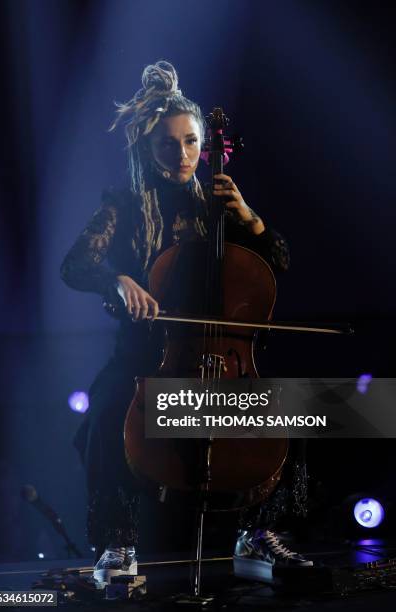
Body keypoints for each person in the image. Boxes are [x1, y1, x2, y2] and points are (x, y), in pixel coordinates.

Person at [61, 60, 311, 586]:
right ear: (147, 150)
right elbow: (76, 264)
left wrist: (249, 218)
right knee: (108, 414)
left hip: (219, 358)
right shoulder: (124, 205)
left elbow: (278, 261)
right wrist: (119, 280)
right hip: (144, 358)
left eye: (192, 143)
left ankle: (257, 536)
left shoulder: (219, 205)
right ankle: (118, 545)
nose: (183, 155)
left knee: (289, 412)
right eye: (168, 145)